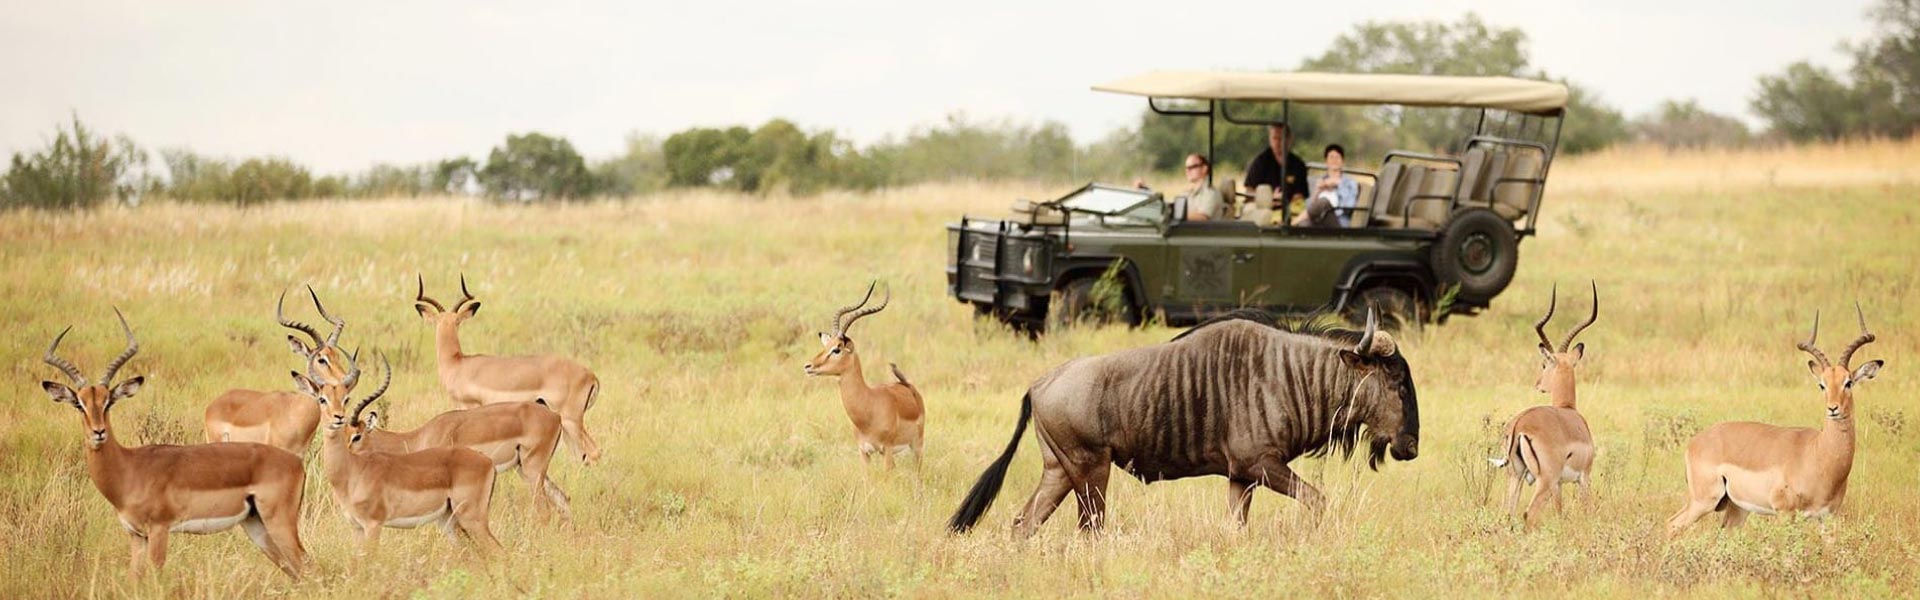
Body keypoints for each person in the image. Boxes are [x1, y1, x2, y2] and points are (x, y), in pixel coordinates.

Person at [1242, 123, 1309, 205]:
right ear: (1270, 139)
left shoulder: (1298, 165)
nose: (1277, 143)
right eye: (1274, 138)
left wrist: (1283, 200)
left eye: (1281, 138)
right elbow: (1249, 191)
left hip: (1290, 209)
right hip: (1263, 208)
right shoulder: (1260, 162)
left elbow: (1300, 195)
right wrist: (1269, 199)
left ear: (1289, 140)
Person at [1309, 144, 1360, 226]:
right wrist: (1318, 191)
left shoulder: (1350, 183)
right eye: (1331, 157)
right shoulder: (1320, 181)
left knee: (1323, 202)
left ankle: (1292, 224)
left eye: (1337, 157)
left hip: (1338, 220)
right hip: (1318, 218)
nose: (1334, 160)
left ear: (1342, 161)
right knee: (1304, 223)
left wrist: (1338, 184)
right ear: (1326, 161)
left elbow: (1349, 207)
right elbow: (1309, 207)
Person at [1180, 153, 1224, 221]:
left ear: (1204, 168)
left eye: (1192, 167)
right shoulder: (1187, 193)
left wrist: (1179, 216)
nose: (1187, 171)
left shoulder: (1210, 193)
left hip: (1205, 230)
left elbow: (1203, 217)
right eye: (1186, 168)